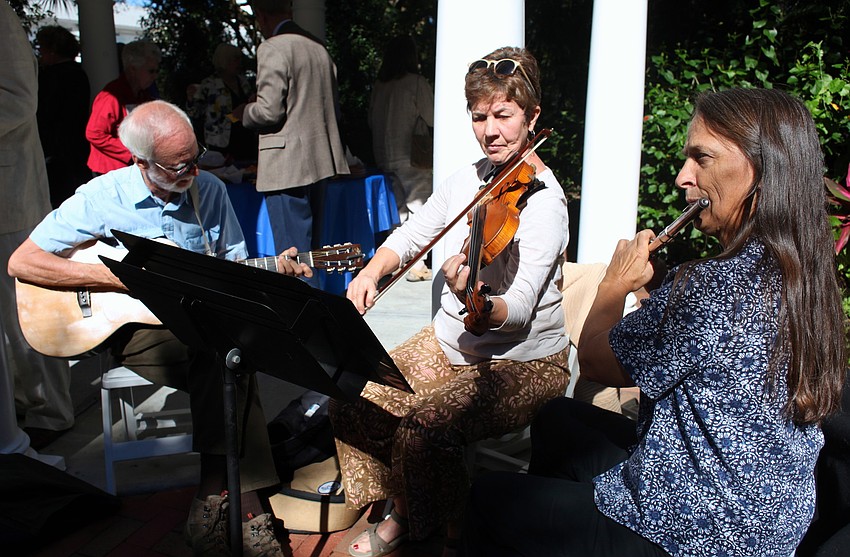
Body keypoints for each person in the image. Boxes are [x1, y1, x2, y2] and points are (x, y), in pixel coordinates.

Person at [463, 88, 848, 556]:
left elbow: (596, 363)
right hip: (769, 517)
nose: (683, 177)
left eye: (701, 158)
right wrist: (663, 287)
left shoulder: (710, 285)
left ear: (760, 172)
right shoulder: (808, 272)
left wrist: (613, 283)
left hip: (696, 531)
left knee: (487, 499)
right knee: (559, 420)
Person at [8, 100, 314, 556]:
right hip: (126, 332)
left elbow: (231, 271)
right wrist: (115, 277)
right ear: (141, 162)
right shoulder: (101, 197)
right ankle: (245, 506)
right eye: (178, 166)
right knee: (223, 353)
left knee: (230, 349)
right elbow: (22, 262)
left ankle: (216, 497)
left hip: (196, 323)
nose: (193, 170)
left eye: (195, 156)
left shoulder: (208, 191)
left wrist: (269, 274)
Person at [331, 46, 571, 557]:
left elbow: (521, 307)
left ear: (532, 117)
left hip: (523, 360)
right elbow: (417, 229)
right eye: (479, 117)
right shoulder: (471, 178)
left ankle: (443, 530)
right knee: (353, 394)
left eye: (504, 116)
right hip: (454, 343)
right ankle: (407, 500)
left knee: (424, 428)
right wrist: (373, 270)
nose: (490, 130)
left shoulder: (545, 201)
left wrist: (479, 303)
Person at [0, 0, 74, 463]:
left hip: (11, 192)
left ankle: (52, 411)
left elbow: (18, 99)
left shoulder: (1, 17)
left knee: (26, 309)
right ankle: (18, 409)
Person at [235, 0, 350, 287]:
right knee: (310, 257)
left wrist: (243, 113)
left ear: (260, 16)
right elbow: (333, 110)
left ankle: (303, 324)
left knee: (293, 260)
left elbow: (269, 111)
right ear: (288, 10)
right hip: (321, 161)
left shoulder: (273, 47)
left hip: (287, 166)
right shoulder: (318, 48)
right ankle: (315, 316)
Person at [368, 35, 435, 282]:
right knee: (419, 209)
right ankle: (417, 264)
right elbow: (431, 117)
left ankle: (399, 261)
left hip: (384, 155)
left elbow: (370, 119)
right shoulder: (416, 83)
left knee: (397, 213)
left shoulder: (380, 85)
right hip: (412, 155)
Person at [35, 25, 91, 208]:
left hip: (56, 154)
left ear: (51, 51)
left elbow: (45, 114)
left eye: (42, 50)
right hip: (78, 149)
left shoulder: (50, 77)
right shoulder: (79, 74)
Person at [85, 39, 160, 176]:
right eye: (151, 71)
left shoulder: (143, 94)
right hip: (109, 169)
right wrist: (130, 152)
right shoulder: (111, 96)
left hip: (131, 166)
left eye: (156, 71)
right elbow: (94, 133)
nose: (155, 76)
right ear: (133, 69)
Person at [187, 43, 258, 162]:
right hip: (221, 143)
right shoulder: (209, 85)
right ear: (224, 61)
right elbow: (195, 113)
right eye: (236, 59)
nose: (239, 63)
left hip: (246, 138)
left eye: (240, 59)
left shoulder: (243, 82)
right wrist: (190, 98)